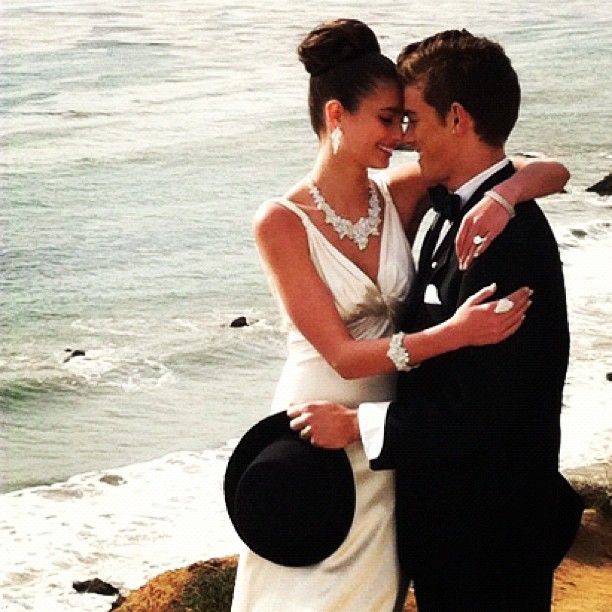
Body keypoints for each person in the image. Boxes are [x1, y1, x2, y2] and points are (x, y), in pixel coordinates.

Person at [231, 20, 570, 611]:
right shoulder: (281, 220)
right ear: (336, 115)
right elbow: (342, 355)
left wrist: (505, 195)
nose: (402, 137)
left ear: (454, 118)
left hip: (393, 442)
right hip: (323, 420)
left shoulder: (403, 195)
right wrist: (453, 334)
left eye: (407, 119)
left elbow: (536, 166)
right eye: (389, 119)